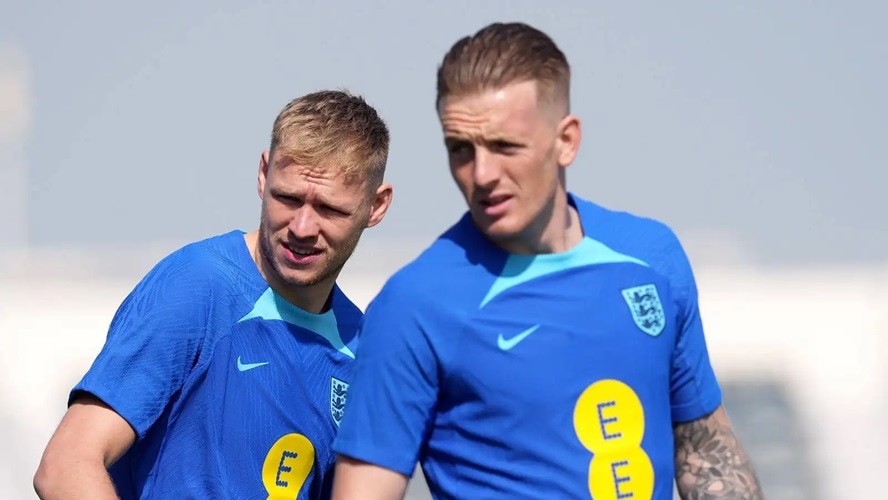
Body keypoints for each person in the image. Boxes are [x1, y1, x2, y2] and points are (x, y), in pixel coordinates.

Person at [331, 22, 764, 500]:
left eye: (505, 146)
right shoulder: (414, 306)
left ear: (566, 141)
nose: (482, 173)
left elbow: (707, 455)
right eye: (460, 149)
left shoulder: (652, 257)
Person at [33, 89, 394, 499]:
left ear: (376, 206)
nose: (302, 227)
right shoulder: (197, 286)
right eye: (288, 198)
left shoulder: (363, 353)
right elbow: (66, 466)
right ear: (264, 174)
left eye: (329, 209)